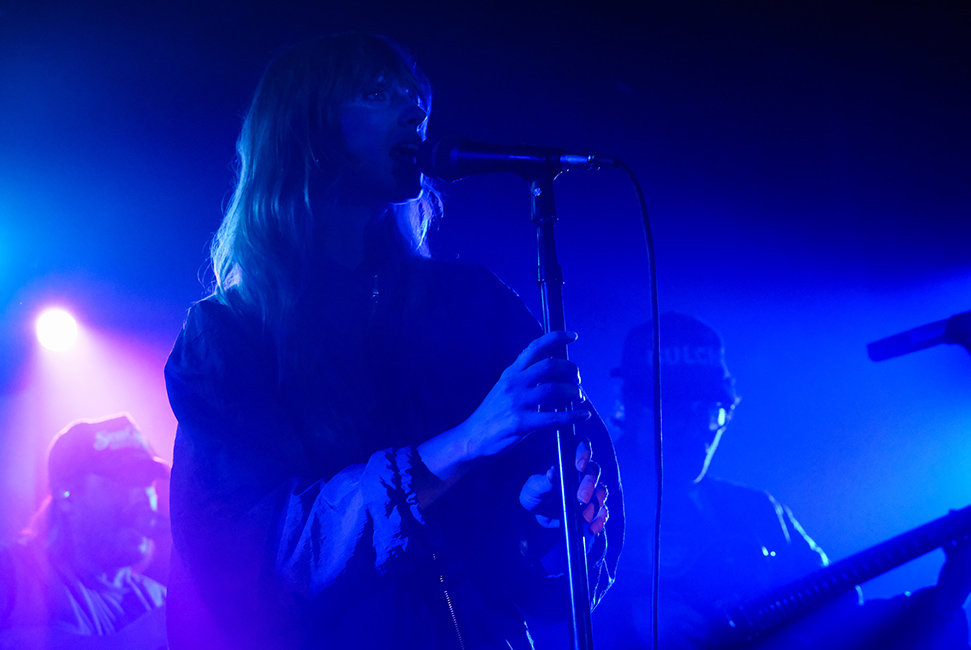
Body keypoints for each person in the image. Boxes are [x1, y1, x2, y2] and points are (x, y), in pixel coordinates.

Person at [164, 33, 621, 650]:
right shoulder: (229, 336)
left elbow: (517, 550)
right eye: (376, 94)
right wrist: (462, 444)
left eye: (415, 97)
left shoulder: (473, 301)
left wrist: (537, 509)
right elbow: (260, 553)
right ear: (305, 130)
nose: (413, 112)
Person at [598, 312, 971, 650]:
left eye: (712, 411)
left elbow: (842, 625)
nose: (696, 429)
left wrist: (946, 599)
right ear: (628, 406)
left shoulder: (757, 514)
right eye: (677, 409)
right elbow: (538, 610)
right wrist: (626, 619)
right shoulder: (572, 502)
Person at [0, 414, 169, 650]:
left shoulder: (160, 598)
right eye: (126, 478)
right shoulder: (11, 575)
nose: (142, 496)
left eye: (148, 481)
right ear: (67, 495)